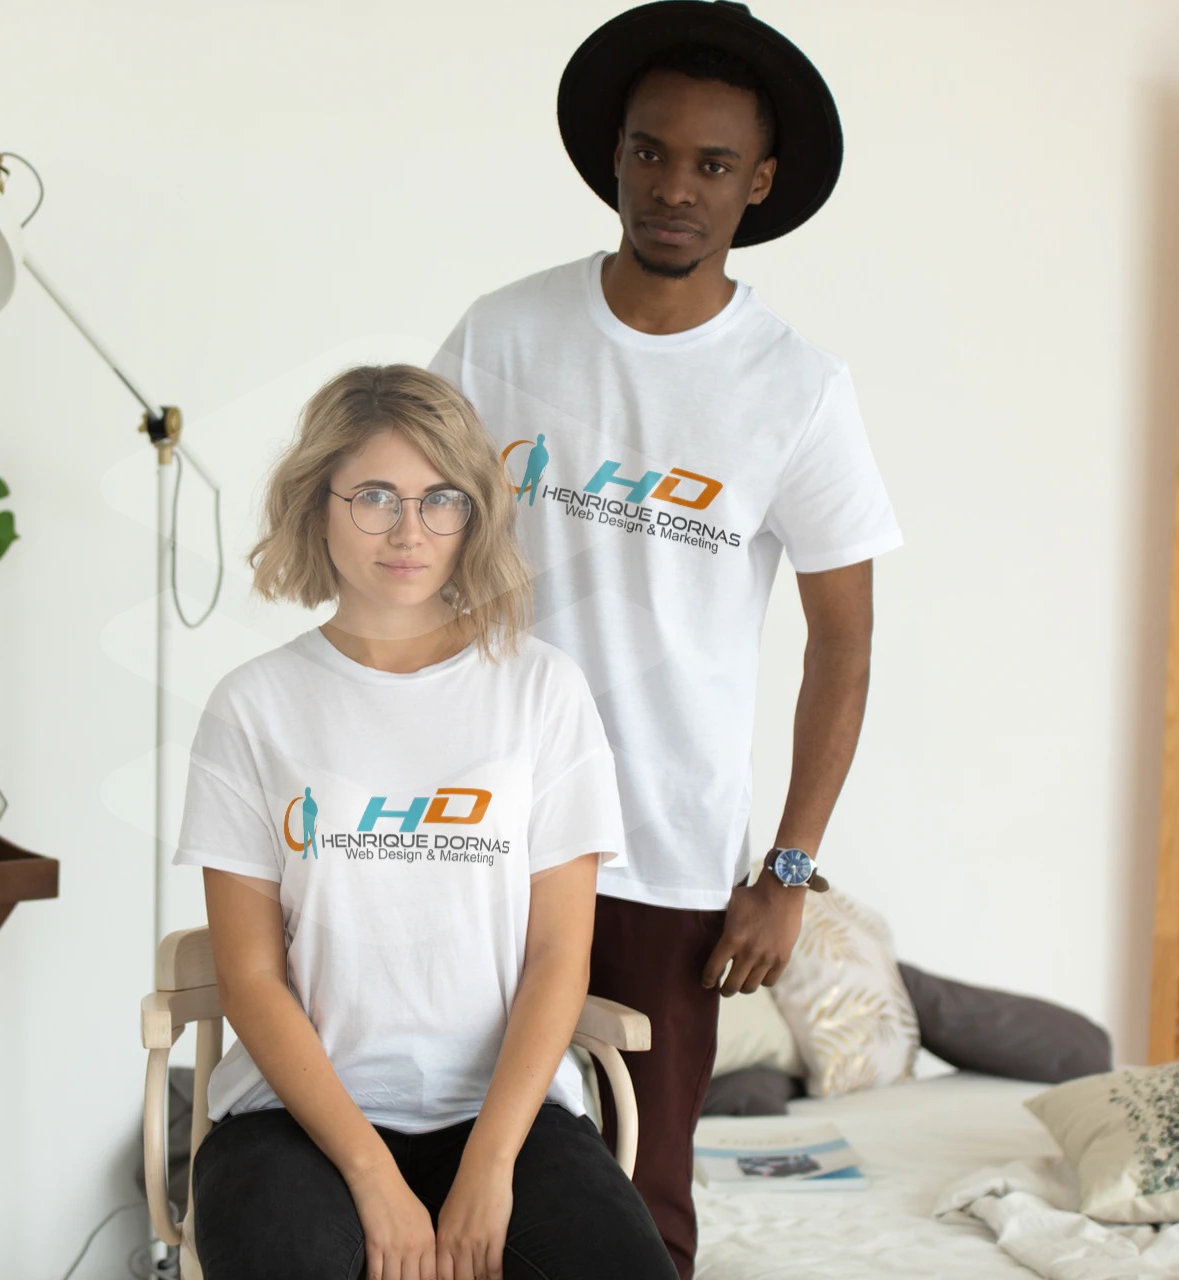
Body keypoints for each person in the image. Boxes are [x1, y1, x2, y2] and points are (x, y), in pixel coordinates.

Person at [427, 4, 902, 1276]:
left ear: (761, 182)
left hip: (663, 847)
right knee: (449, 1160)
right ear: (616, 157)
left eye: (710, 163)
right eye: (651, 152)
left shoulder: (797, 388)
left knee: (640, 1202)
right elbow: (412, 557)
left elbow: (844, 643)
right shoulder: (501, 334)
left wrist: (788, 870)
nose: (674, 187)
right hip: (477, 820)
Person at [173, 364, 674, 1280]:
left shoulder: (541, 689)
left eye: (441, 499)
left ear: (474, 514)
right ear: (318, 504)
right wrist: (372, 1174)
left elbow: (559, 956)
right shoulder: (254, 705)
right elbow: (250, 976)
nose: (410, 532)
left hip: (506, 1116)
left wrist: (489, 1164)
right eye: (374, 497)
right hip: (296, 1121)